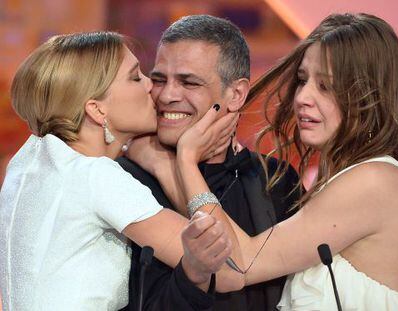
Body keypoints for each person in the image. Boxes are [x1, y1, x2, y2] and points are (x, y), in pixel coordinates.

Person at [178, 13, 398, 310]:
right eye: (303, 80)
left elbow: (238, 265)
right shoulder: (348, 179)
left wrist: (183, 161)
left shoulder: (374, 181)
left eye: (326, 86)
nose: (303, 97)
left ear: (370, 94)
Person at [0, 31, 246, 310]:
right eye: (134, 77)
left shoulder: (27, 164)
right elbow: (230, 271)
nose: (151, 87)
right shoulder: (97, 177)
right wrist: (185, 161)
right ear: (96, 109)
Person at [118, 15, 300, 311]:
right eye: (160, 79)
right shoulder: (126, 179)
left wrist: (182, 163)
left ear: (236, 94)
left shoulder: (276, 180)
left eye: (188, 82)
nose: (167, 95)